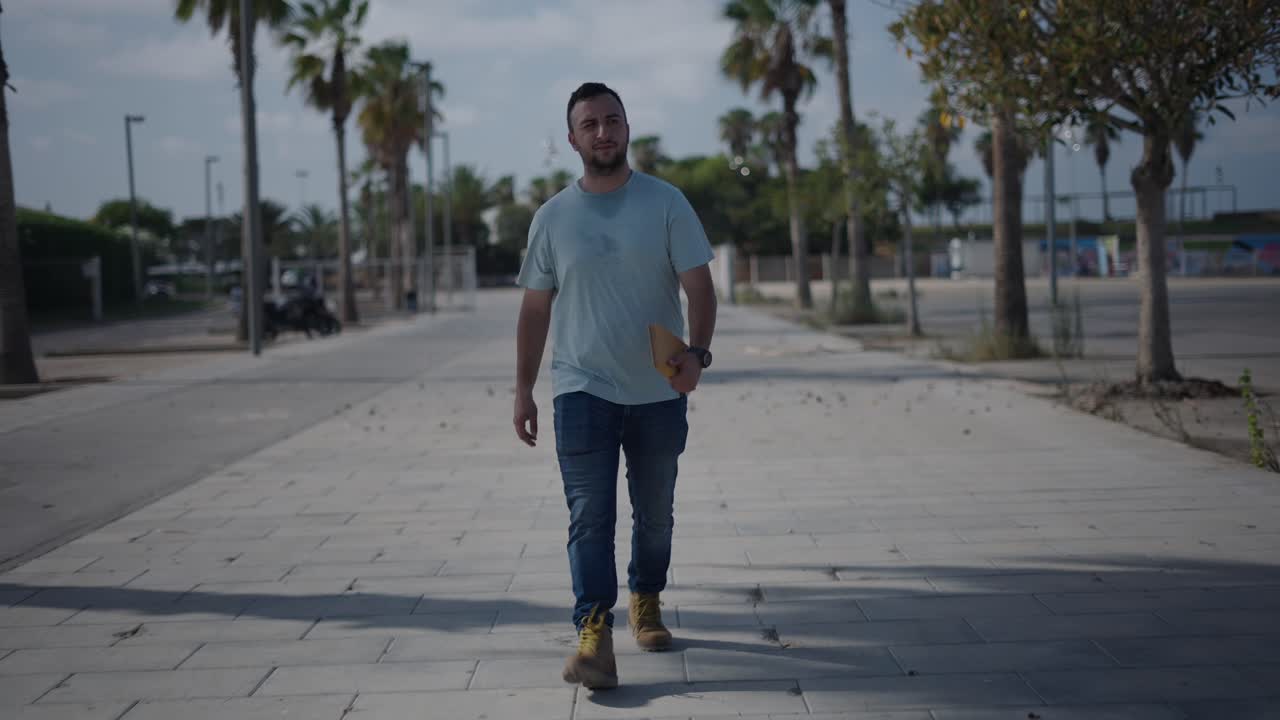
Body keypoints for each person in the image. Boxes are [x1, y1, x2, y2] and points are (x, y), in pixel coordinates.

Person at [512, 82, 717, 690]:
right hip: (581, 389)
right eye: (590, 124)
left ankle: (645, 596)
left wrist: (698, 354)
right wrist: (523, 388)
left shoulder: (666, 202)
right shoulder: (552, 217)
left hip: (657, 389)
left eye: (613, 120)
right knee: (589, 516)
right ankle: (594, 631)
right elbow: (533, 311)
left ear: (627, 128)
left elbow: (700, 289)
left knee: (654, 515)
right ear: (572, 139)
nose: (604, 132)